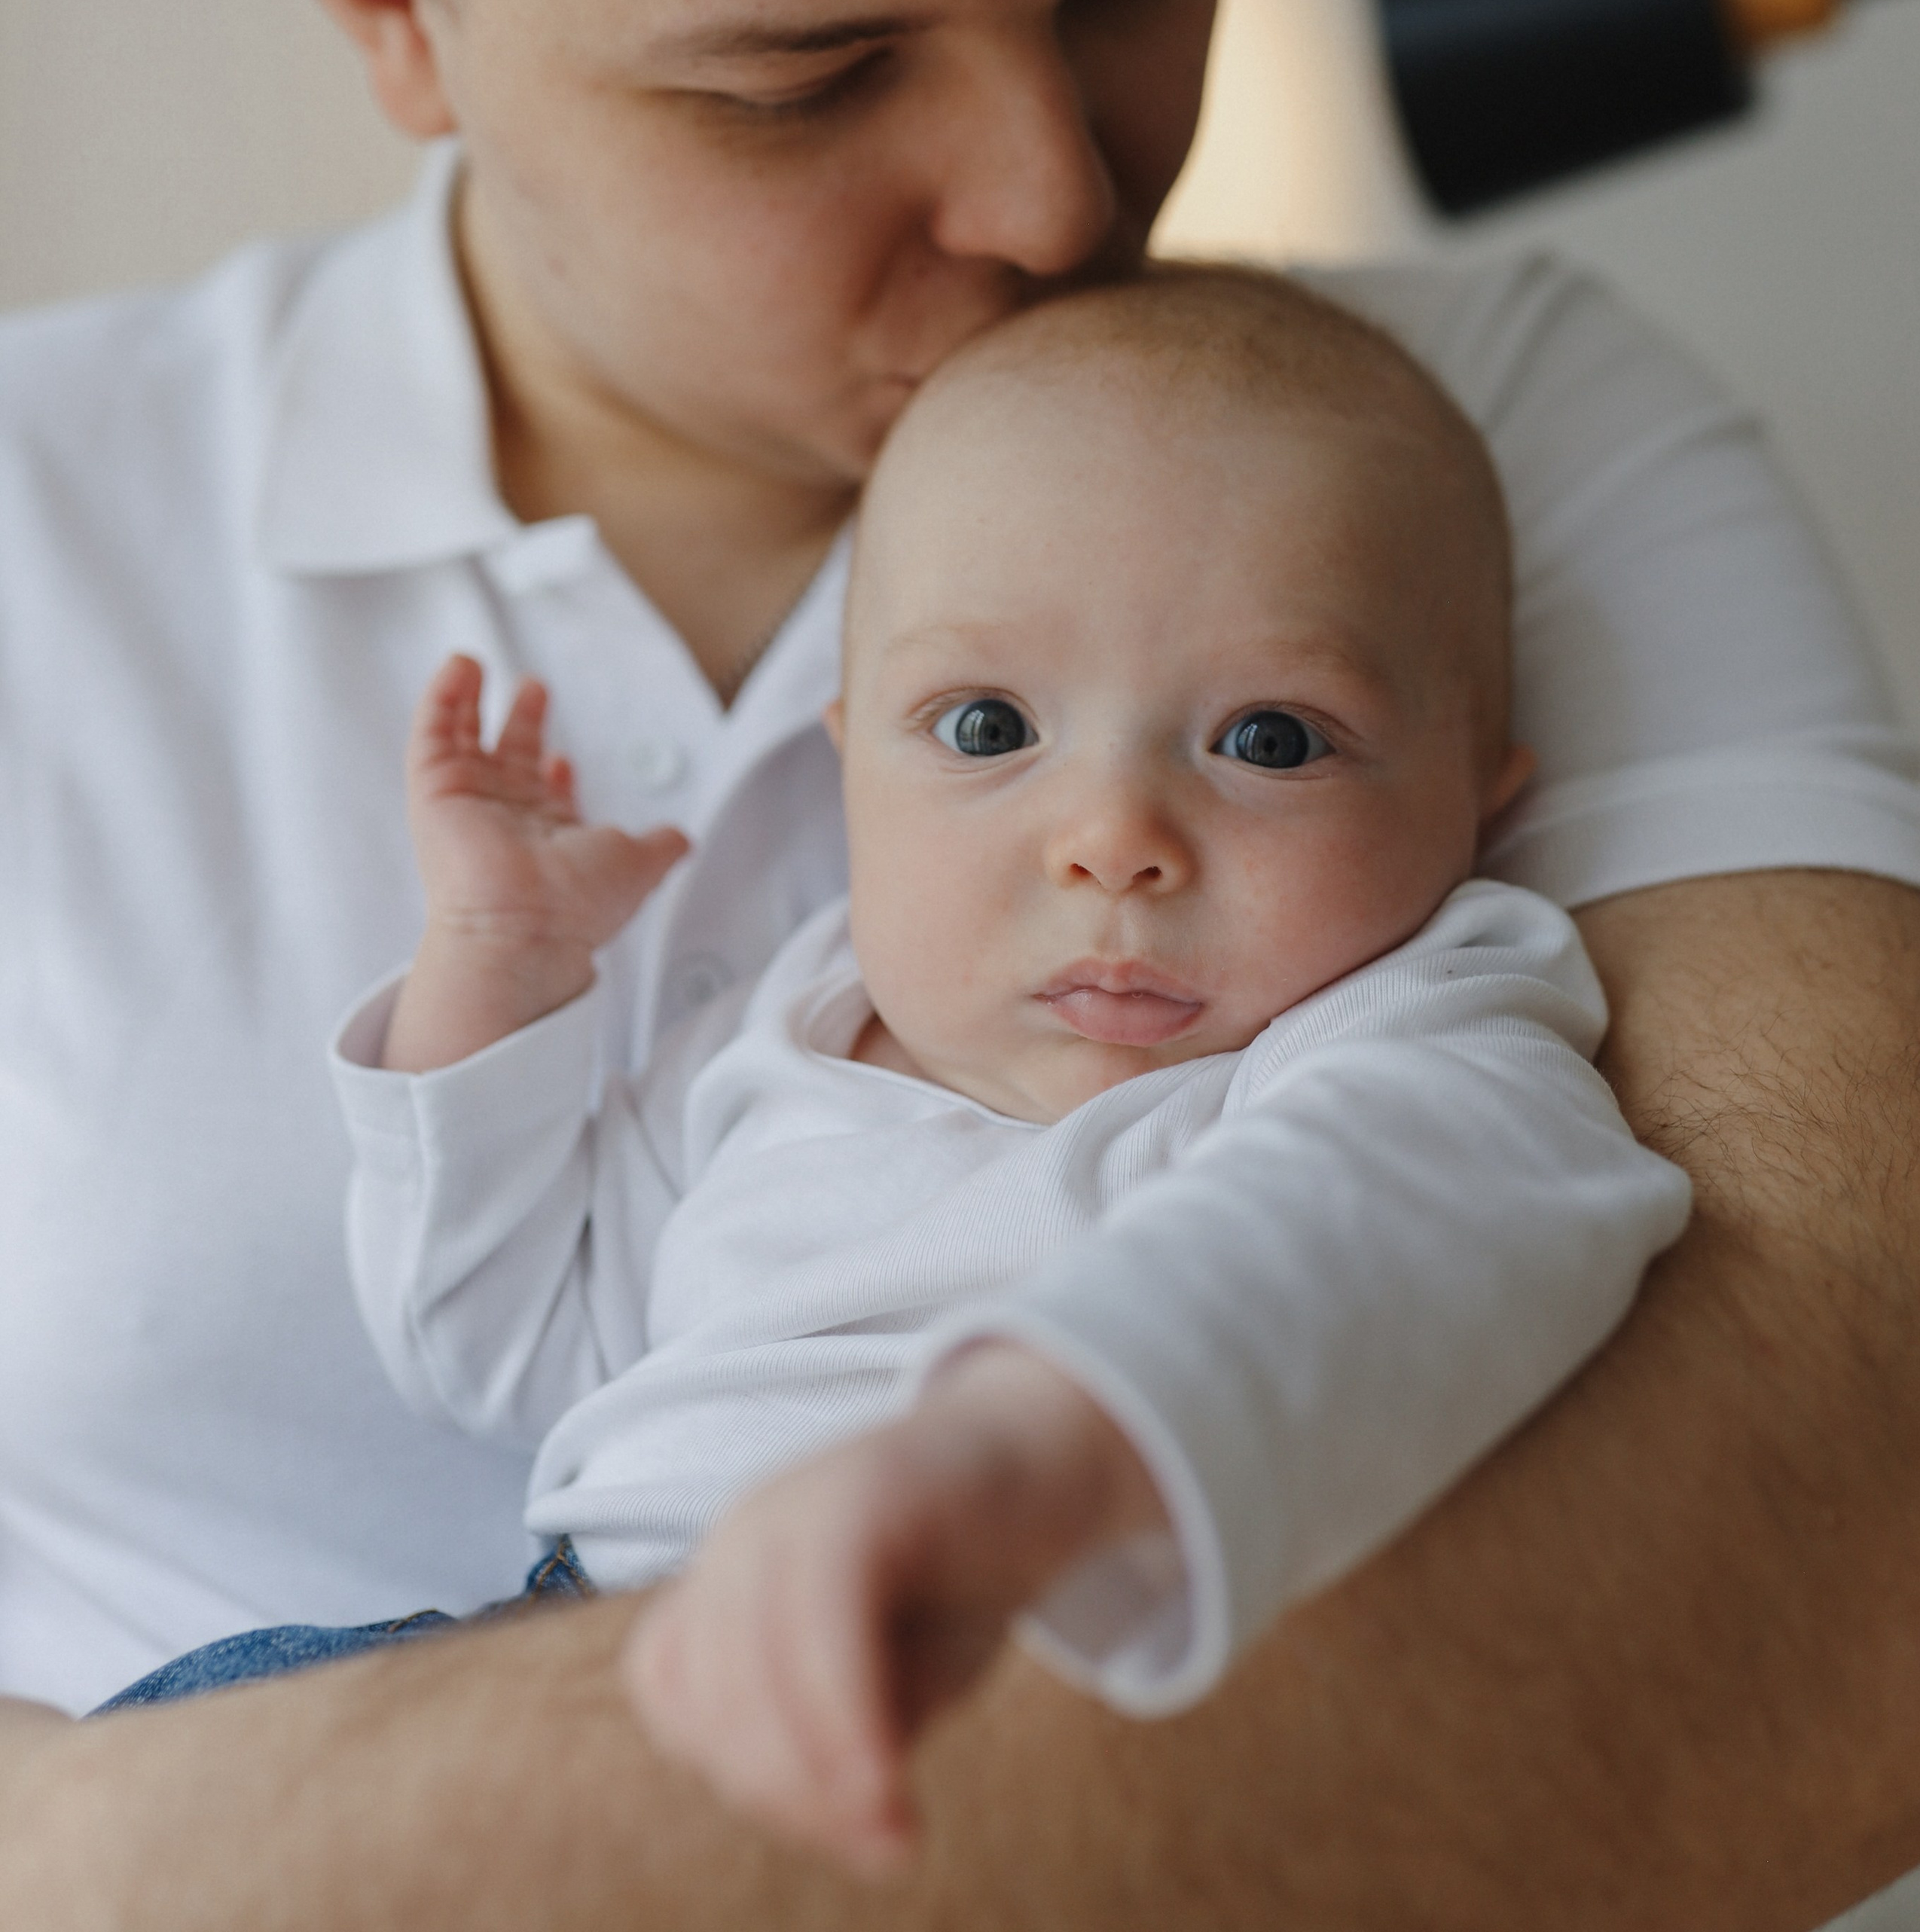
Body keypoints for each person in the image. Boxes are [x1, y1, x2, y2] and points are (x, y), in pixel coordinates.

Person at [3, 0, 1920, 1932]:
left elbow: (1852, 1540)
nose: (1057, 197)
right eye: (812, 75)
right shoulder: (40, 536)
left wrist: (111, 1849)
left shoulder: (1492, 439)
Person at [96, 269, 1690, 1879]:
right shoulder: (799, 1029)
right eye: (989, 725)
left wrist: (1031, 1450)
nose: (1112, 839)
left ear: (1477, 794)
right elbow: (505, 1346)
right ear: (849, 752)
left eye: (1269, 738)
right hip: (567, 1651)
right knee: (177, 1769)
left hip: (989, 1713)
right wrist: (494, 975)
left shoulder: (1407, 1032)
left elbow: (1398, 1229)